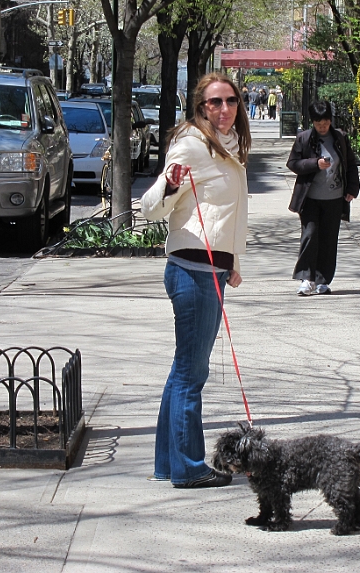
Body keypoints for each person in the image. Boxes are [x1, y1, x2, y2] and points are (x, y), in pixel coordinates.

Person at [141, 71, 251, 488]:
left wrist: (233, 261)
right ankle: (188, 467)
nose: (224, 109)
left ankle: (168, 463)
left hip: (214, 269)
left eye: (231, 101)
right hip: (192, 271)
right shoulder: (191, 144)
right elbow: (150, 208)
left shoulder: (231, 145)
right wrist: (169, 185)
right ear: (200, 107)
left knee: (183, 370)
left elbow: (228, 212)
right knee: (191, 374)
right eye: (215, 103)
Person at [286, 100, 359, 296]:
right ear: (313, 122)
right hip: (309, 198)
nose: (323, 127)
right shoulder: (304, 139)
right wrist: (315, 164)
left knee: (329, 239)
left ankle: (323, 280)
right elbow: (293, 163)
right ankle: (306, 278)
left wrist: (352, 188)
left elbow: (350, 164)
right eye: (319, 124)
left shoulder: (340, 138)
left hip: (334, 198)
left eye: (326, 122)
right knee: (310, 236)